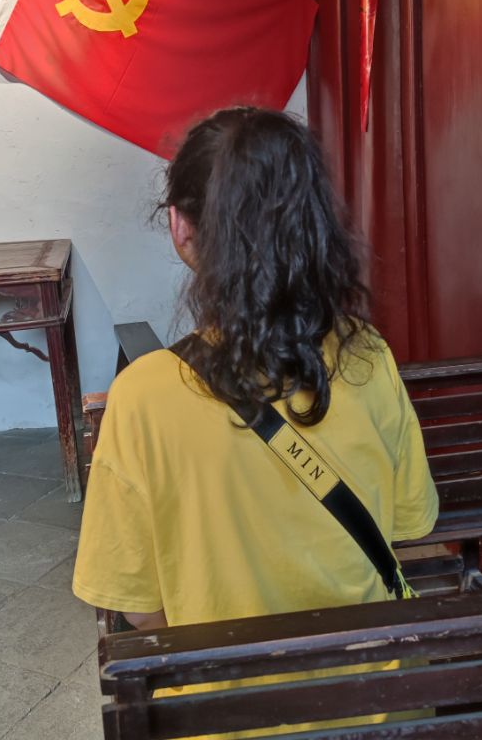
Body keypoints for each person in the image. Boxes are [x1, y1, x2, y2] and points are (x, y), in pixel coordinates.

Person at [72, 107, 438, 731]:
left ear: (181, 227)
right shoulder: (368, 358)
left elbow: (139, 607)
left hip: (226, 716)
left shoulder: (142, 397)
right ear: (315, 223)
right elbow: (410, 528)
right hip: (375, 709)